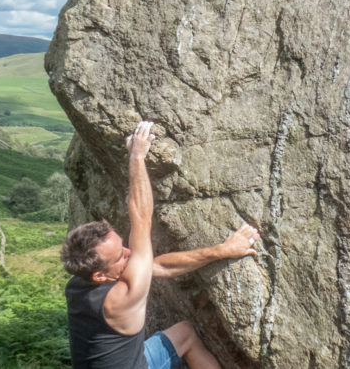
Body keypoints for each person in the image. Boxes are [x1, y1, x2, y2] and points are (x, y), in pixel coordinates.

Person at [61, 121, 260, 369]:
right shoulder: (123, 297)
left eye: (123, 246)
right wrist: (136, 157)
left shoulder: (80, 282)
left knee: (184, 334)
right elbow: (141, 218)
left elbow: (157, 267)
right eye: (120, 256)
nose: (129, 253)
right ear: (100, 275)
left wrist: (222, 251)